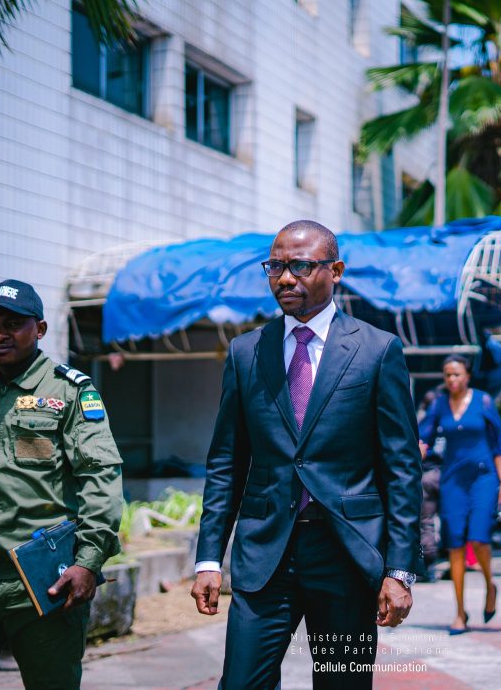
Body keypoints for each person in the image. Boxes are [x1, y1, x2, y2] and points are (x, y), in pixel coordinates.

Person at [190, 220, 422, 689]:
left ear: (335, 270)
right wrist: (209, 559)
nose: (285, 278)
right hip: (264, 556)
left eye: (300, 265)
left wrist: (400, 571)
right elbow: (226, 464)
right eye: (275, 266)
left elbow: (402, 470)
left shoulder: (377, 351)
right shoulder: (245, 352)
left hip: (345, 555)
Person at [0, 279, 124, 690]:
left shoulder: (70, 392)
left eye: (13, 323)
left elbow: (100, 478)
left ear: (40, 329)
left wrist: (87, 561)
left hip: (44, 577)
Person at [419, 355, 501, 634]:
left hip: (483, 478)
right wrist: (417, 450)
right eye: (447, 375)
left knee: (479, 537)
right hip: (453, 481)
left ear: (468, 376)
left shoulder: (483, 401)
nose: (452, 380)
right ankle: (460, 612)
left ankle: (489, 585)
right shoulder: (438, 404)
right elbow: (424, 435)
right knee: (455, 543)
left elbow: (499, 444)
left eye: (457, 374)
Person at [417, 387, 444, 582]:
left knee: (426, 522)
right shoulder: (450, 419)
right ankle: (453, 561)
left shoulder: (424, 425)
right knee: (451, 520)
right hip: (449, 475)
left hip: (428, 475)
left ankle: (429, 566)